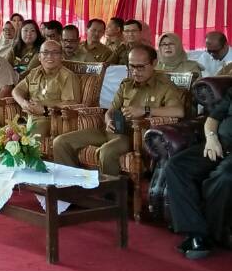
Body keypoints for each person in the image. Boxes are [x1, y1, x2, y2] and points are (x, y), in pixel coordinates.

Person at [53, 43, 184, 175]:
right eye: (132, 66)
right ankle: (72, 186)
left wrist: (146, 110)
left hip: (132, 136)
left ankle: (110, 194)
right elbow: (111, 110)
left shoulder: (164, 86)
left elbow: (179, 111)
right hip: (110, 130)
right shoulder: (126, 84)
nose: (135, 71)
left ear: (154, 63)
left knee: (107, 152)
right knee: (61, 142)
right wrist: (108, 119)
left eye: (140, 67)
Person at [162, 85, 232, 258]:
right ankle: (196, 234)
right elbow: (213, 119)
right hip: (219, 144)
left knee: (225, 176)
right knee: (176, 166)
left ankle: (210, 234)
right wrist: (211, 138)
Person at [12, 40, 77, 138]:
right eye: (45, 53)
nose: (50, 56)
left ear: (61, 56)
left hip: (50, 119)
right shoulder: (34, 73)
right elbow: (16, 91)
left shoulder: (67, 76)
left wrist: (45, 109)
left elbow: (71, 103)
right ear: (39, 57)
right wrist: (23, 103)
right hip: (28, 117)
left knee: (30, 137)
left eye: (55, 53)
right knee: (6, 135)